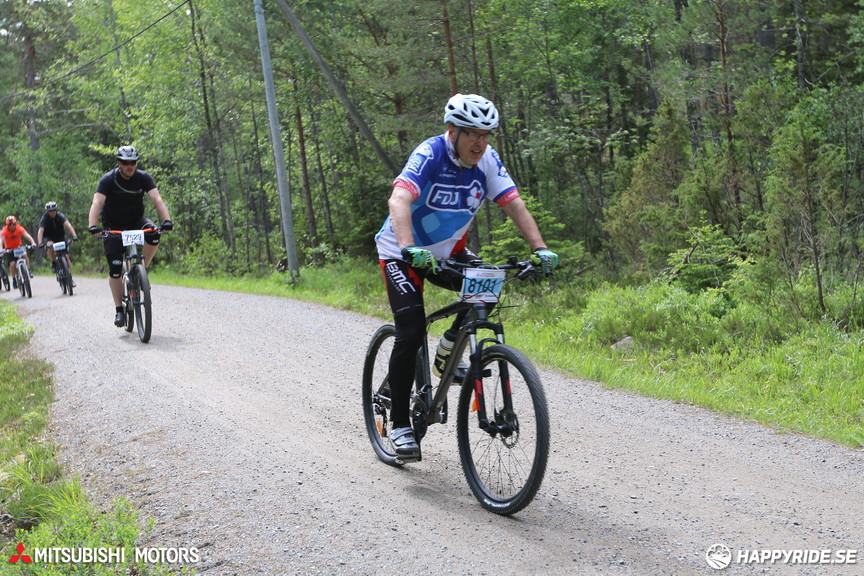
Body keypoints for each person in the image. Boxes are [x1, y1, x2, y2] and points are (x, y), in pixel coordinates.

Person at [374, 93, 559, 460]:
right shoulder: (430, 153)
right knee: (410, 333)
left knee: (489, 285)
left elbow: (513, 204)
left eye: (486, 134)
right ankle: (398, 425)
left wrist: (540, 249)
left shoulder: (487, 160)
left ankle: (447, 352)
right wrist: (410, 247)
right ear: (452, 131)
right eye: (472, 133)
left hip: (449, 252)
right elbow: (399, 200)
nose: (480, 142)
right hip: (402, 252)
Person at [88, 145, 173, 327]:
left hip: (135, 221)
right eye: (126, 163)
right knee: (116, 268)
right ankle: (119, 309)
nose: (130, 166)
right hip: (113, 226)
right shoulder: (108, 180)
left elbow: (157, 199)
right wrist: (93, 226)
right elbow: (97, 202)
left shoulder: (143, 178)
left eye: (133, 163)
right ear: (118, 163)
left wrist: (166, 220)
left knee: (154, 234)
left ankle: (142, 268)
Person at [37, 201, 79, 286]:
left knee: (66, 257)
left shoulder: (60, 216)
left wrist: (74, 236)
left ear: (56, 210)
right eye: (50, 211)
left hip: (59, 237)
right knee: (50, 245)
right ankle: (53, 263)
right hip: (48, 237)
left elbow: (69, 226)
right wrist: (40, 243)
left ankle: (70, 277)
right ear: (47, 212)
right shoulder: (44, 218)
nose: (52, 212)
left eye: (53, 210)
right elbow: (40, 231)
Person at [0, 215, 36, 289]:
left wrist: (33, 243)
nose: (12, 226)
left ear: (15, 223)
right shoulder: (4, 230)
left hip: (18, 247)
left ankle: (28, 271)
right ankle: (14, 279)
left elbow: (27, 235)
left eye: (13, 224)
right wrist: (1, 249)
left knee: (25, 256)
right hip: (10, 249)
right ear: (7, 225)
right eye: (10, 225)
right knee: (12, 264)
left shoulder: (19, 228)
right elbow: (1, 240)